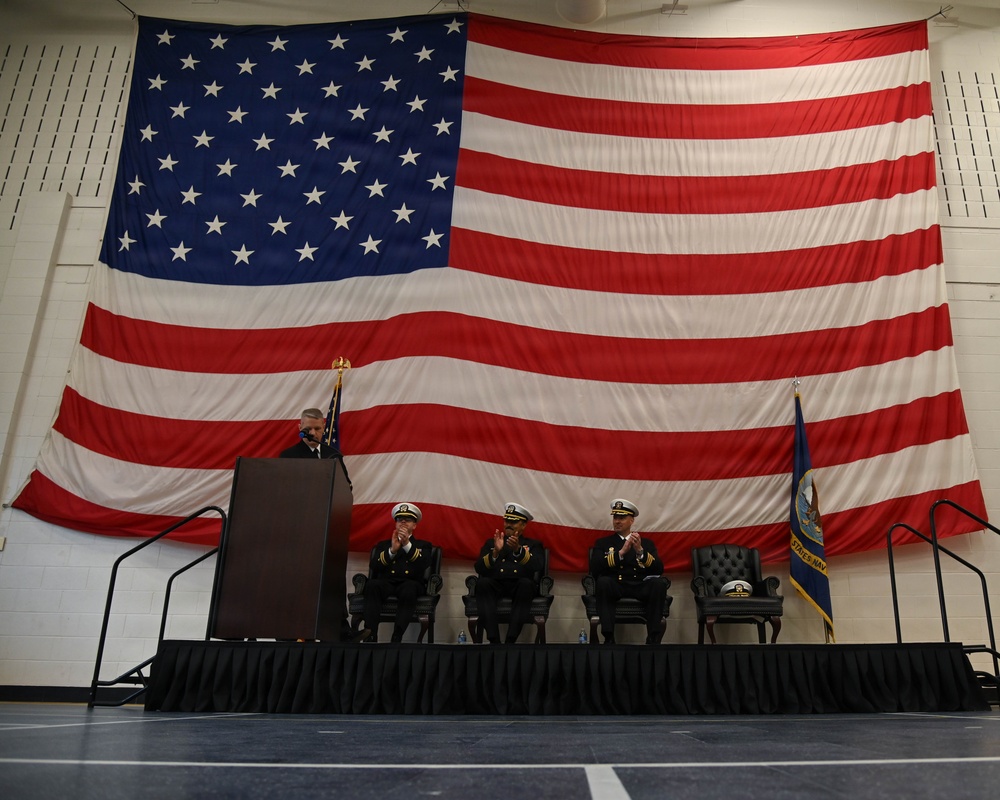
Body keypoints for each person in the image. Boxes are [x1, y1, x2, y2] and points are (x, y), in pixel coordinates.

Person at [590, 499, 667, 645]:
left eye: (622, 518)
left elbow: (659, 569)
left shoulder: (646, 543)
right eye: (615, 517)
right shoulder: (603, 543)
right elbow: (595, 568)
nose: (617, 521)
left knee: (658, 584)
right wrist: (621, 553)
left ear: (631, 520)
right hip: (616, 585)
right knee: (603, 582)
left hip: (639, 585)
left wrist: (641, 552)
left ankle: (653, 637)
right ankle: (608, 636)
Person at [355, 503, 433, 643]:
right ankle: (370, 634)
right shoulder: (383, 545)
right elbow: (374, 566)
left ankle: (397, 634)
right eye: (399, 519)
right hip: (387, 583)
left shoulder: (423, 545)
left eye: (407, 519)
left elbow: (424, 564)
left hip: (411, 583)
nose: (403, 521)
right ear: (395, 523)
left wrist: (407, 545)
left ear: (414, 525)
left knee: (409, 588)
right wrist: (392, 551)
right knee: (372, 585)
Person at [474, 502, 543, 644]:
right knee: (482, 583)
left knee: (526, 584)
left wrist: (518, 550)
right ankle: (493, 639)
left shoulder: (533, 545)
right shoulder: (492, 543)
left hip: (519, 585)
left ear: (523, 525)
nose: (509, 524)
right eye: (507, 521)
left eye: (514, 522)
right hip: (496, 583)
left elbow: (537, 565)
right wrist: (495, 552)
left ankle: (511, 639)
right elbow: (479, 568)